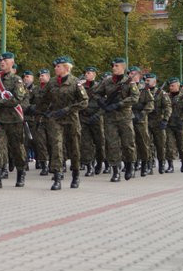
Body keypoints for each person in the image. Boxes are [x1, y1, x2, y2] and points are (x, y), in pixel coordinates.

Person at [43, 56, 88, 190]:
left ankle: (75, 175)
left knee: (74, 148)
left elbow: (84, 101)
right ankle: (57, 177)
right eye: (55, 66)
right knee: (56, 147)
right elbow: (43, 99)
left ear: (66, 68)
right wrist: (41, 112)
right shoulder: (51, 83)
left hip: (71, 120)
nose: (56, 68)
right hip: (56, 119)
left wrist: (68, 109)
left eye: (58, 66)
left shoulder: (76, 83)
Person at [93, 57, 139, 182]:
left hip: (125, 117)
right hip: (110, 118)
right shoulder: (107, 82)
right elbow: (96, 93)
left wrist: (119, 104)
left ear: (123, 68)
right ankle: (116, 170)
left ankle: (129, 166)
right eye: (113, 66)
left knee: (128, 143)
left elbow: (135, 97)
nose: (114, 68)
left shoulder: (130, 82)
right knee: (112, 144)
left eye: (116, 66)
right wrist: (101, 102)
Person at [0, 52, 27, 189]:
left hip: (14, 119)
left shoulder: (17, 80)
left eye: (5, 60)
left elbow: (18, 98)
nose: (2, 63)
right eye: (0, 61)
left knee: (17, 148)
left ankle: (21, 173)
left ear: (11, 62)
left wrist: (0, 101)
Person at [129, 67, 154, 177]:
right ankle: (132, 165)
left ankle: (145, 164)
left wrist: (142, 113)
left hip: (141, 119)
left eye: (133, 73)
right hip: (129, 118)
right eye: (129, 73)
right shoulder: (126, 86)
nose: (131, 75)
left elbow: (150, 104)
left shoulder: (144, 88)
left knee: (143, 143)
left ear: (138, 75)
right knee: (130, 143)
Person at [27, 69, 51, 177]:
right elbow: (28, 101)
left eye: (43, 75)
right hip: (39, 119)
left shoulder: (53, 88)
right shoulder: (36, 90)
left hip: (51, 119)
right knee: (40, 143)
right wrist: (31, 108)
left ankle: (56, 164)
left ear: (48, 77)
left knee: (53, 143)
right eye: (39, 76)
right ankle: (44, 165)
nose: (41, 77)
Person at [146, 74, 172, 173]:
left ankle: (161, 163)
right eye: (146, 80)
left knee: (160, 145)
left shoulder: (162, 93)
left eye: (149, 80)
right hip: (147, 121)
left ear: (154, 82)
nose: (146, 82)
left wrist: (165, 120)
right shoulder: (143, 92)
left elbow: (168, 107)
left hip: (158, 122)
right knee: (148, 144)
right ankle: (149, 163)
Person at [165, 78, 183, 172]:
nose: (170, 87)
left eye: (172, 86)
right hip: (169, 124)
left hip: (179, 124)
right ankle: (170, 165)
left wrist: (182, 120)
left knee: (182, 145)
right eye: (170, 86)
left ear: (177, 86)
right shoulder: (167, 96)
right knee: (169, 145)